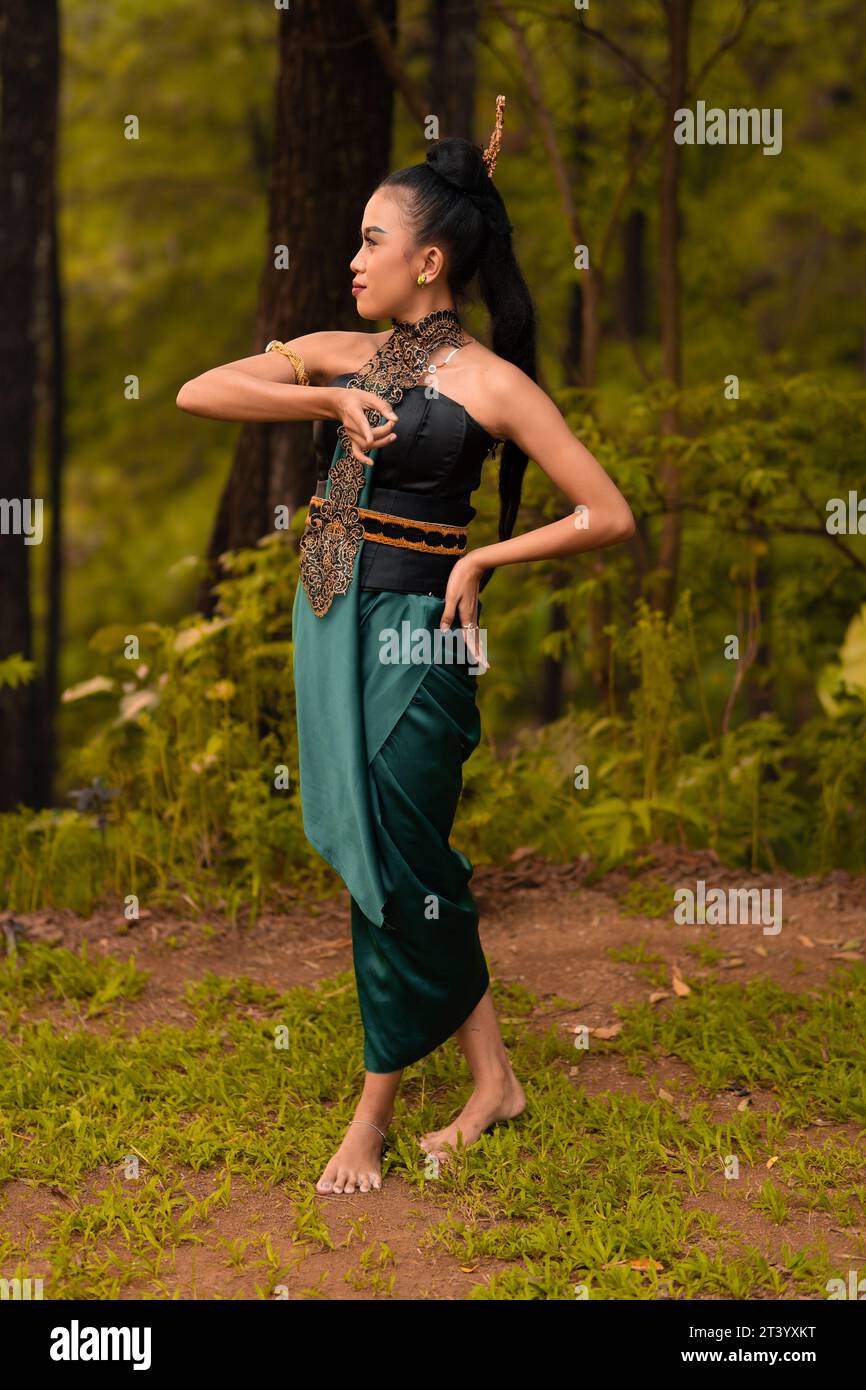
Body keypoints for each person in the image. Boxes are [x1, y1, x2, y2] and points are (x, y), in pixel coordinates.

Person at [176, 96, 636, 1196]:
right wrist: (327, 399)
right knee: (394, 856)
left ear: (428, 261)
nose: (351, 258)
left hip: (420, 636)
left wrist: (481, 562)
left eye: (372, 240)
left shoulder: (490, 383)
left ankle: (370, 1114)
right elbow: (202, 390)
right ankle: (496, 1083)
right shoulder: (342, 353)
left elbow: (604, 513)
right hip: (330, 615)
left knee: (399, 857)